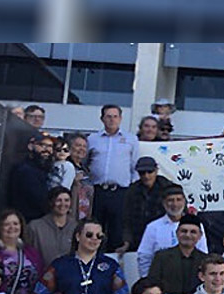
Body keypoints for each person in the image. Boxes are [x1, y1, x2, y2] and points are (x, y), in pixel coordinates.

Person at [88, 105, 139, 252]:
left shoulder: (131, 139)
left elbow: (134, 166)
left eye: (115, 116)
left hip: (120, 192)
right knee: (95, 230)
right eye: (108, 116)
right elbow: (86, 163)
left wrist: (132, 190)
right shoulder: (92, 139)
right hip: (97, 192)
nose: (112, 120)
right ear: (102, 118)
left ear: (121, 119)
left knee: (117, 233)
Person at [137, 185, 210, 279]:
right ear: (164, 203)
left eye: (178, 200)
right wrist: (147, 282)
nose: (175, 204)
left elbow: (203, 254)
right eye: (170, 200)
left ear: (184, 201)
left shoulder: (195, 225)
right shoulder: (153, 227)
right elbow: (144, 257)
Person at [122, 157, 173, 252]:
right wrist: (126, 242)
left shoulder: (167, 187)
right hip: (139, 239)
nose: (146, 176)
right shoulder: (132, 191)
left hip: (164, 238)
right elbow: (126, 218)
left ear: (156, 171)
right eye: (142, 172)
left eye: (150, 172)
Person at [147, 216, 207, 294]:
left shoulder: (206, 260)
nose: (188, 235)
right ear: (177, 233)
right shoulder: (161, 257)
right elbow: (152, 284)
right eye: (184, 231)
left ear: (200, 236)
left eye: (193, 232)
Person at [26, 187, 77, 267]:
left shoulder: (76, 227)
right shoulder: (35, 227)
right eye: (59, 200)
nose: (63, 204)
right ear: (51, 202)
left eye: (66, 200)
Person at [8, 136, 54, 222]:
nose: (47, 150)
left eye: (50, 146)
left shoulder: (43, 170)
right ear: (30, 146)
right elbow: (39, 200)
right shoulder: (25, 170)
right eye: (43, 145)